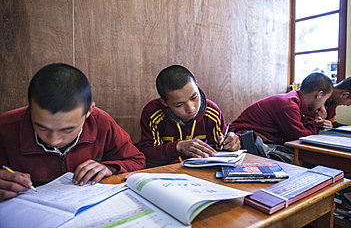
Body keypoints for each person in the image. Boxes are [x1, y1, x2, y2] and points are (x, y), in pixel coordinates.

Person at [0, 63, 145, 201]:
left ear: (88, 111)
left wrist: (110, 167)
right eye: (42, 127)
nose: (54, 141)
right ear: (30, 109)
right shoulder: (6, 127)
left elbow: (137, 160)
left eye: (68, 129)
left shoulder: (100, 122)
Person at [135, 65, 240, 168]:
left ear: (197, 85)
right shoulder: (153, 113)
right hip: (167, 173)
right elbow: (147, 154)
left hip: (202, 174)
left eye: (194, 97)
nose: (191, 108)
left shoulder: (211, 112)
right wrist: (178, 147)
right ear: (164, 102)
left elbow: (220, 149)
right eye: (179, 105)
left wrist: (232, 144)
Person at [229, 73, 333, 162]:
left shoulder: (296, 101)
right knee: (307, 159)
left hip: (263, 140)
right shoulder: (289, 105)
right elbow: (301, 138)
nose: (323, 105)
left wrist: (318, 123)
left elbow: (302, 128)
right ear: (319, 94)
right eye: (325, 99)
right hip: (245, 140)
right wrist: (315, 122)